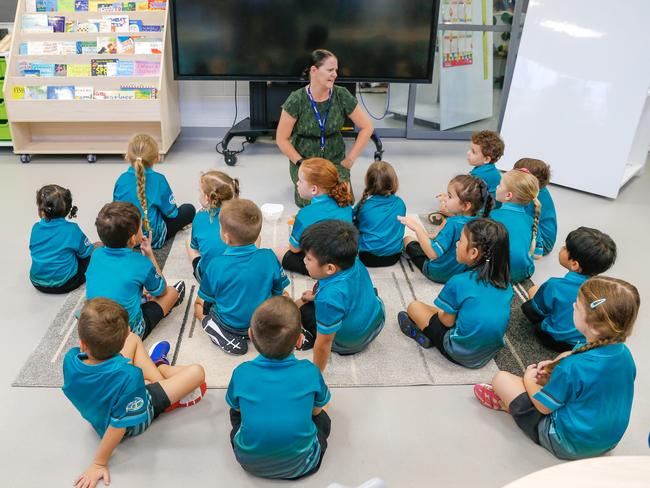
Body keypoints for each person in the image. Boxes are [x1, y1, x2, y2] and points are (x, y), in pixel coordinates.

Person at [474, 276, 639, 460]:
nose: (573, 306)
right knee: (564, 357)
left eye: (577, 306)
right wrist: (558, 367)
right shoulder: (625, 355)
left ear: (592, 326)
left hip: (567, 443)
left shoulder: (572, 367)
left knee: (501, 379)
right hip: (607, 441)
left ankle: (508, 406)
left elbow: (543, 407)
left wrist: (529, 378)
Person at [63, 298, 206, 488]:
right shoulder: (130, 376)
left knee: (135, 341)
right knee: (197, 373)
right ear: (121, 340)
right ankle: (161, 366)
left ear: (82, 344)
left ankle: (158, 372)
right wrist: (98, 463)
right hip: (134, 421)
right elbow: (118, 426)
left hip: (102, 408)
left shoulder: (70, 359)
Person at [227, 296, 331, 480]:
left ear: (250, 334)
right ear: (300, 341)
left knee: (235, 413)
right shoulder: (311, 372)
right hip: (303, 464)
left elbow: (236, 409)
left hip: (249, 462)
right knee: (323, 418)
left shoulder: (241, 372)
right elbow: (315, 412)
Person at [398, 218, 513, 368]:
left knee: (415, 307)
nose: (457, 244)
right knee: (457, 311)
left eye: (460, 241)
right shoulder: (506, 284)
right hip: (489, 352)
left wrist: (442, 313)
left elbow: (447, 322)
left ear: (473, 253)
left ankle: (426, 336)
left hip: (459, 352)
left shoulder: (460, 281)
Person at [276, 49, 374, 207]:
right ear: (314, 71)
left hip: (335, 162)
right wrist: (300, 163)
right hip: (306, 163)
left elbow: (367, 127)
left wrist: (349, 160)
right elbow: (281, 139)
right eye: (330, 70)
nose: (335, 74)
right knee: (312, 203)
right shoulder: (296, 99)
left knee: (342, 201)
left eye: (336, 70)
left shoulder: (341, 95)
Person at [197, 199, 290, 355]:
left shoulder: (215, 265)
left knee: (198, 305)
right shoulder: (269, 256)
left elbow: (209, 299)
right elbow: (278, 292)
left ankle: (214, 328)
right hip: (262, 324)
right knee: (285, 297)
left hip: (230, 325)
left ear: (226, 237)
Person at [86, 202, 185, 339]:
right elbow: (162, 291)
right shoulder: (141, 263)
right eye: (140, 227)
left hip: (93, 329)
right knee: (172, 293)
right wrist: (149, 255)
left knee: (135, 289)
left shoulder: (96, 254)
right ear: (133, 238)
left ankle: (143, 297)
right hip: (125, 334)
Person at [296, 220, 385, 372]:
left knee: (297, 305)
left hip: (350, 344)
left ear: (330, 268)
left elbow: (324, 345)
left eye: (308, 258)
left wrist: (316, 374)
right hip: (377, 322)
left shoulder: (328, 297)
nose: (304, 261)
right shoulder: (353, 260)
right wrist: (315, 296)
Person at [522, 227, 617, 351]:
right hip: (582, 343)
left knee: (533, 290)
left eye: (565, 248)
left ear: (574, 264)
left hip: (553, 339)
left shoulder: (554, 285)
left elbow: (534, 312)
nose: (561, 249)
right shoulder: (603, 290)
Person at [400, 175, 493, 283]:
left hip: (437, 273)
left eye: (449, 196)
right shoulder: (480, 221)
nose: (445, 199)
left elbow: (433, 254)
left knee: (408, 239)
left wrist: (417, 228)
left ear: (466, 206)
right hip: (460, 274)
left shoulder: (452, 224)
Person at [113, 133, 196, 249]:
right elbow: (172, 214)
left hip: (126, 236)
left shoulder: (121, 180)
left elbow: (115, 210)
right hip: (152, 237)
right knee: (189, 209)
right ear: (156, 158)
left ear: (127, 156)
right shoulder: (159, 180)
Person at [274, 158, 353, 276]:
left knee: (275, 252)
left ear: (314, 189)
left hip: (323, 267)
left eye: (300, 181)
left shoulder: (305, 214)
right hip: (346, 261)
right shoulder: (345, 202)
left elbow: (294, 249)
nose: (297, 183)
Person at [429, 130, 504, 226]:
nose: (468, 153)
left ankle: (454, 218)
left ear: (486, 159)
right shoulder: (492, 171)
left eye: (473, 152)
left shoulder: (477, 177)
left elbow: (467, 196)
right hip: (491, 209)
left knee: (445, 208)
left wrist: (448, 200)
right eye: (470, 149)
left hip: (482, 216)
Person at [29, 184, 95, 294]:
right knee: (90, 257)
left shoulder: (35, 228)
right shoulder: (72, 229)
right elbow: (85, 253)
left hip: (37, 282)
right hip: (65, 283)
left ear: (42, 211)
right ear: (68, 209)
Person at [490, 168, 543, 283]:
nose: (497, 187)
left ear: (508, 195)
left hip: (492, 272)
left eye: (499, 185)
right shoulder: (531, 221)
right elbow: (538, 254)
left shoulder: (492, 216)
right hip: (523, 274)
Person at [186, 170, 239, 281]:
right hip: (238, 275)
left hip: (209, 280)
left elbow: (195, 246)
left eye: (199, 191)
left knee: (188, 241)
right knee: (255, 236)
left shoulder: (199, 217)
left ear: (206, 198)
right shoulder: (241, 213)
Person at [353, 161, 406, 267]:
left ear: (368, 182)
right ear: (394, 182)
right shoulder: (400, 204)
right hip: (393, 257)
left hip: (367, 258)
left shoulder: (363, 205)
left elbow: (354, 223)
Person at [514, 158, 557, 255]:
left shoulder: (532, 199)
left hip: (542, 243)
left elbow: (520, 221)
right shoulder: (538, 190)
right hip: (540, 236)